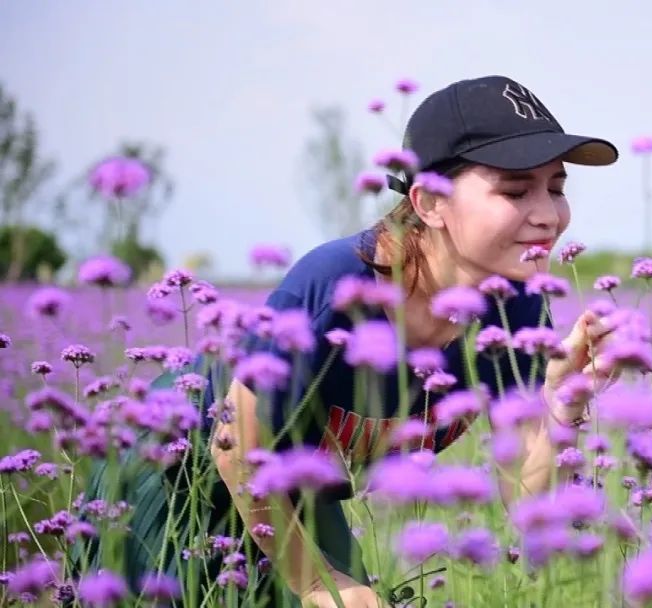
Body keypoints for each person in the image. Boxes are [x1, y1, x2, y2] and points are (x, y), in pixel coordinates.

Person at [78, 74, 621, 607]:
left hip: (293, 493)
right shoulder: (337, 284)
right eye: (515, 190)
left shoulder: (516, 303)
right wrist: (317, 584)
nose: (548, 216)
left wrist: (561, 406)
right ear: (429, 203)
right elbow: (236, 448)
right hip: (173, 473)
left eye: (556, 188)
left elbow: (523, 494)